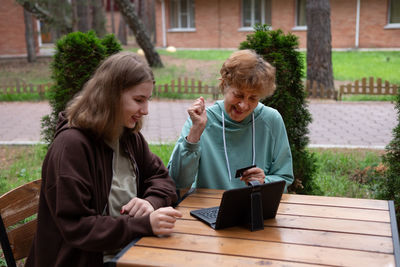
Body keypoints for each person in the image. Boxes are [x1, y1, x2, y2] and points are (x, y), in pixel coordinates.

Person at [26, 51, 182, 267]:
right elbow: (77, 227)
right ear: (110, 95)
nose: (145, 110)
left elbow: (162, 179)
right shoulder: (71, 147)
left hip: (130, 250)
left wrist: (149, 203)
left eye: (147, 100)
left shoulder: (129, 137)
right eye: (138, 100)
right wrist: (143, 225)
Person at [168, 49, 294, 191]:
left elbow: (284, 177)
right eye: (238, 95)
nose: (244, 105)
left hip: (254, 206)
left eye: (253, 98)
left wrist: (264, 182)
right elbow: (177, 182)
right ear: (224, 85)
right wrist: (195, 133)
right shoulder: (200, 121)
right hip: (208, 208)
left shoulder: (271, 120)